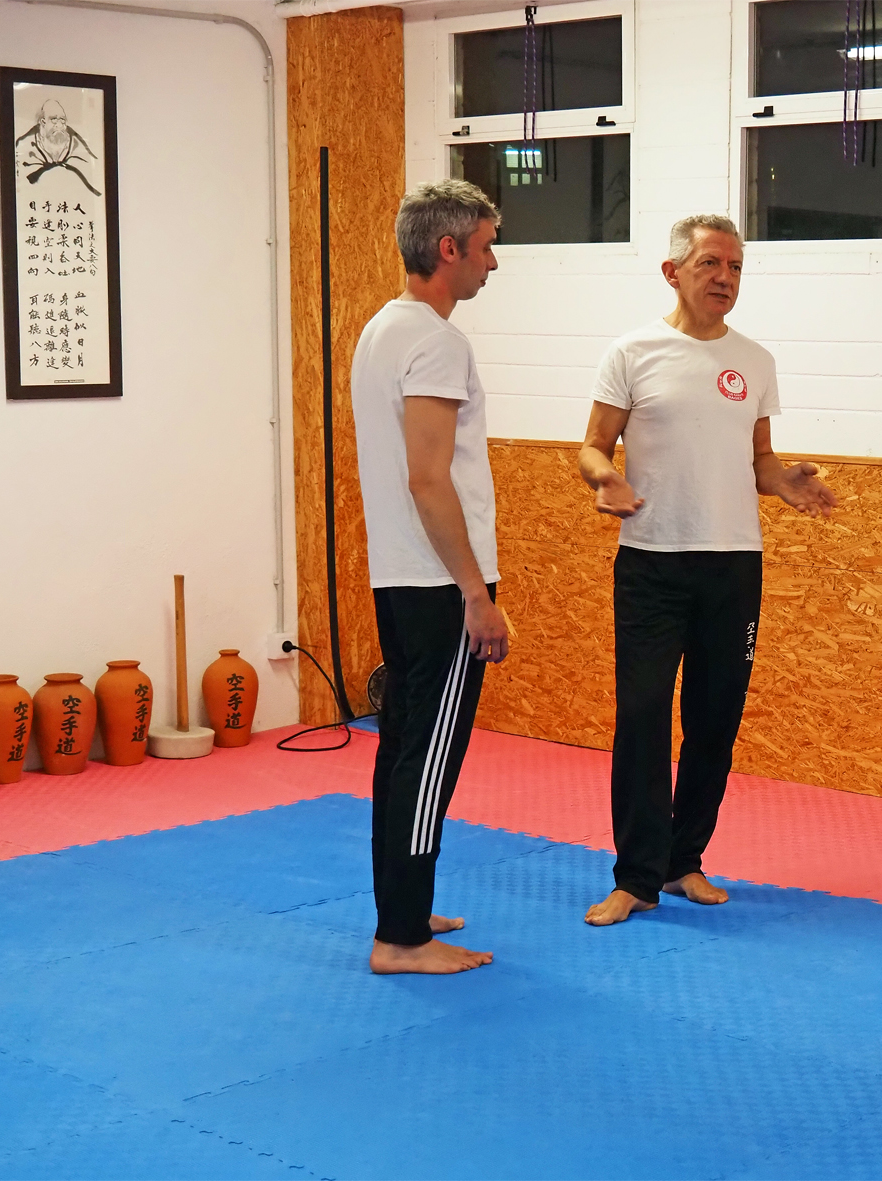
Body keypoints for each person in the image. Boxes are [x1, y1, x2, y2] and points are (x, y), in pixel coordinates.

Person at [578, 214, 836, 927]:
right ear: (673, 272)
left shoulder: (754, 361)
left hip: (733, 567)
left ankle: (682, 858)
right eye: (710, 264)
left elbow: (759, 459)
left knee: (714, 720)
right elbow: (593, 445)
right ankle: (635, 876)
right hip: (651, 565)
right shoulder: (632, 352)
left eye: (735, 267)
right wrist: (603, 477)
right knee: (642, 716)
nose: (725, 278)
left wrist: (784, 482)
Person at [350, 179, 510, 974]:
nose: (492, 262)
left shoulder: (383, 328)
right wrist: (475, 593)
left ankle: (403, 909)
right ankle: (402, 938)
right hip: (440, 584)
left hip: (402, 575)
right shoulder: (437, 341)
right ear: (448, 249)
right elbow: (427, 477)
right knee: (429, 756)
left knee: (404, 749)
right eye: (485, 246)